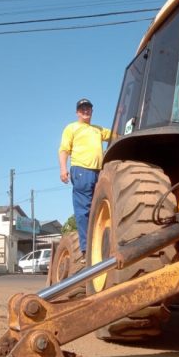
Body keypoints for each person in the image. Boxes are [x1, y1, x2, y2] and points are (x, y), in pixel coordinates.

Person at [58, 98, 112, 254]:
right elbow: (63, 149)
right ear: (77, 112)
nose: (86, 111)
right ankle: (86, 248)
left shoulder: (98, 129)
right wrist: (63, 169)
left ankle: (99, 242)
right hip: (81, 171)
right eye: (82, 109)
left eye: (88, 108)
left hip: (98, 172)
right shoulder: (72, 128)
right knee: (84, 210)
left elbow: (116, 133)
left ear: (92, 111)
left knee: (99, 206)